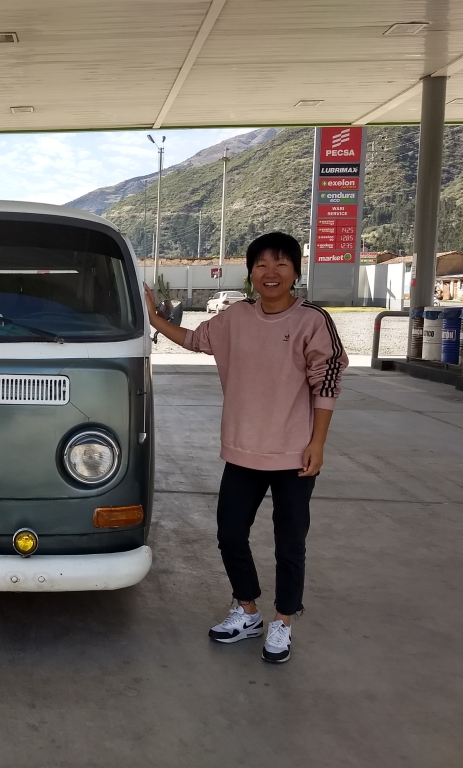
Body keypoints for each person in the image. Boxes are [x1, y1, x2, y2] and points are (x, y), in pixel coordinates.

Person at [146, 232, 347, 664]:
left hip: (294, 455)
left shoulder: (312, 320)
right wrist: (153, 318)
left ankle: (283, 620)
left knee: (289, 542)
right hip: (242, 452)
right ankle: (248, 610)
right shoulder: (235, 317)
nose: (270, 273)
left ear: (295, 272)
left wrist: (317, 443)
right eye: (261, 265)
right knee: (230, 534)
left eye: (281, 264)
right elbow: (194, 340)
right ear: (251, 273)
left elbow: (327, 383)